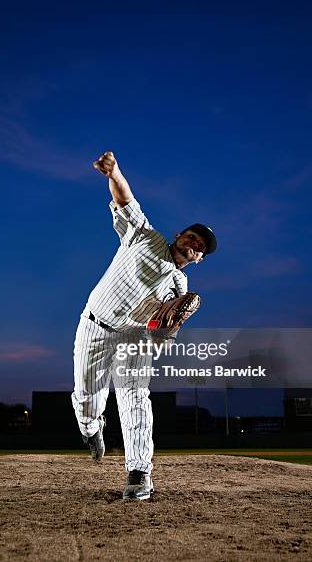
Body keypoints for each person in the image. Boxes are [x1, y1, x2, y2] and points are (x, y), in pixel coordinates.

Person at [71, 151, 217, 500]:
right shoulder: (144, 235)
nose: (195, 243)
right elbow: (124, 198)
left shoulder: (180, 290)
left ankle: (139, 473)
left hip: (132, 338)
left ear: (198, 260)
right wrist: (114, 172)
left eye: (201, 247)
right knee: (87, 399)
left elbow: (159, 336)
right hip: (94, 325)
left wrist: (166, 331)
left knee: (134, 396)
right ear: (180, 234)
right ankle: (92, 428)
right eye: (193, 236)